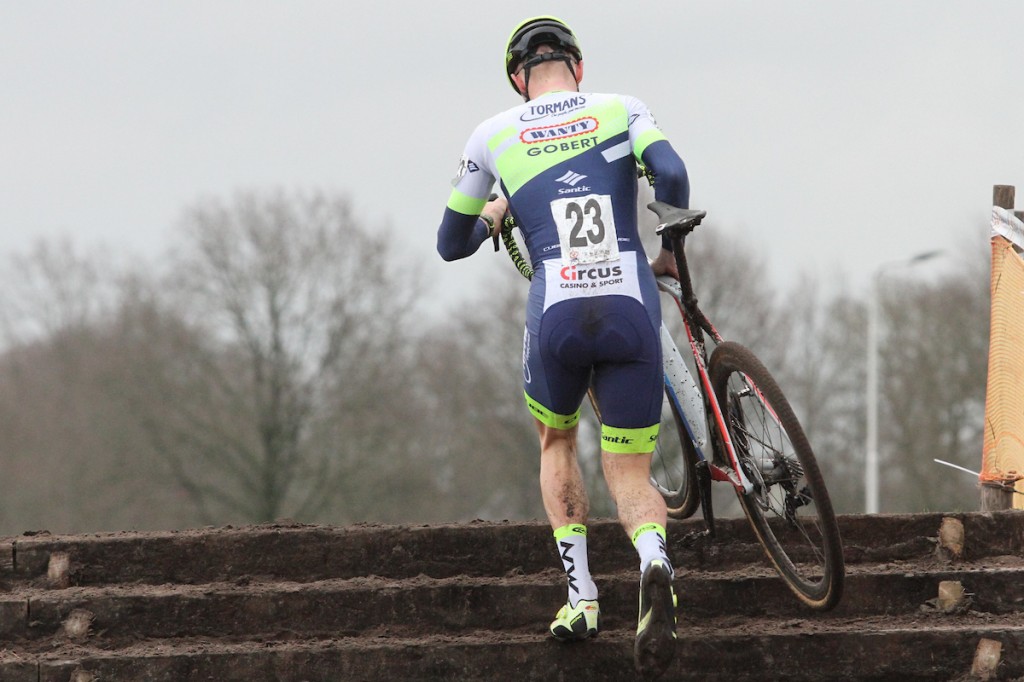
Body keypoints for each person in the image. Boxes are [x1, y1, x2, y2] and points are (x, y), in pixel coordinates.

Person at [436, 16, 690, 678]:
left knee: (556, 442)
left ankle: (581, 596)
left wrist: (500, 211)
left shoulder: (492, 135)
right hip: (631, 304)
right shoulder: (621, 109)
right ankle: (656, 561)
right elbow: (671, 171)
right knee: (629, 472)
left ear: (520, 80)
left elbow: (449, 243)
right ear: (576, 67)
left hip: (558, 315)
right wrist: (663, 252)